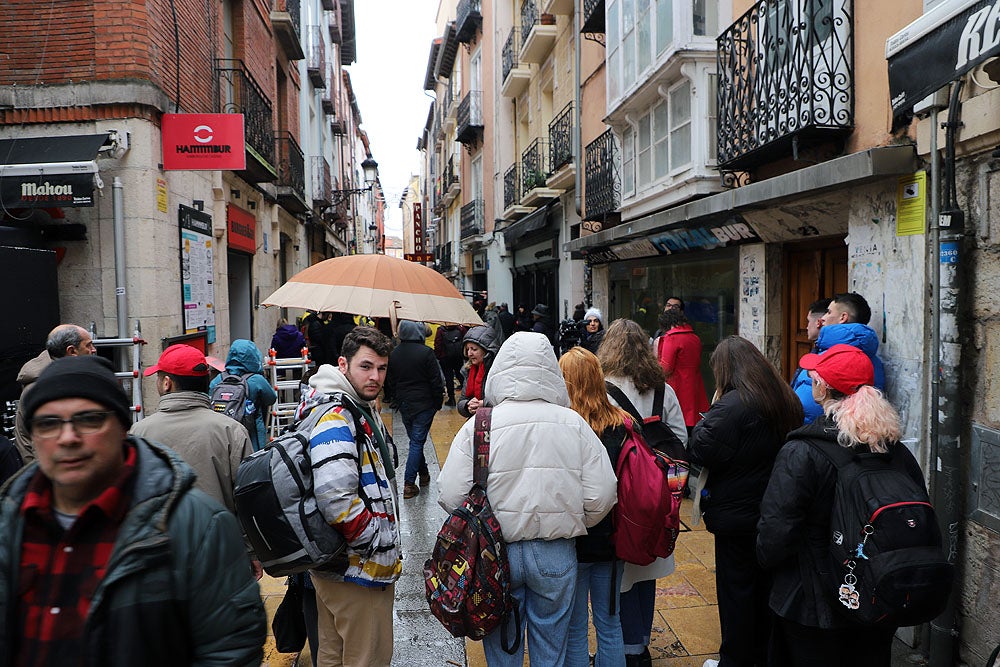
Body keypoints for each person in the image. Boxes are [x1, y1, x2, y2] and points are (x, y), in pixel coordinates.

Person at [0, 355, 266, 665]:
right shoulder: (10, 524)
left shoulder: (197, 527)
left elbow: (229, 649)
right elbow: (247, 495)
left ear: (120, 429)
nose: (68, 437)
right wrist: (251, 550)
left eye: (89, 419)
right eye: (48, 423)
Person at [438, 332, 618, 666]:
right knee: (551, 648)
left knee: (501, 643)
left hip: (494, 553)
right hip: (555, 551)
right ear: (551, 370)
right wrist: (571, 520)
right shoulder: (573, 423)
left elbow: (450, 494)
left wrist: (484, 523)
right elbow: (603, 494)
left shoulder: (481, 424)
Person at [757, 344, 913, 666]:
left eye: (813, 375)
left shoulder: (802, 450)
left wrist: (765, 566)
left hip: (812, 601)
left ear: (822, 387)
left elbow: (776, 529)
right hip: (877, 593)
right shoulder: (895, 448)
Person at [687, 336, 804, 667]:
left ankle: (735, 660)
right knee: (767, 589)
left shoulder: (733, 404)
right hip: (775, 510)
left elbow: (700, 450)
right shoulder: (785, 397)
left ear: (726, 370)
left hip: (737, 514)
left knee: (736, 592)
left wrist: (709, 415)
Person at [294, 326, 401, 666]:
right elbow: (335, 497)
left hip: (335, 568)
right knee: (367, 657)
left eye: (382, 369)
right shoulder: (338, 416)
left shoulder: (353, 406)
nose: (375, 377)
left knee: (332, 656)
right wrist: (374, 542)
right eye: (366, 367)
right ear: (343, 364)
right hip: (359, 571)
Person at [596, 318, 687, 666]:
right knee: (648, 565)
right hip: (659, 493)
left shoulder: (602, 389)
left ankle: (625, 647)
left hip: (621, 493)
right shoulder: (664, 389)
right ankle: (641, 642)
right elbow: (681, 438)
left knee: (621, 571)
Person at [559, 346, 628, 667]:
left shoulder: (562, 426)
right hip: (613, 539)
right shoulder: (622, 424)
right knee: (610, 624)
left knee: (574, 629)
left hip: (573, 541)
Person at [131, 344, 254, 519]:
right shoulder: (232, 431)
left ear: (167, 383)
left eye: (158, 378)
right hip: (220, 541)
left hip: (161, 544)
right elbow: (249, 499)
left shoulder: (139, 432)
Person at [794, 292, 885, 424]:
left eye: (829, 312)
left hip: (818, 435)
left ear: (843, 317)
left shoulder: (835, 355)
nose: (823, 318)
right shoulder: (870, 357)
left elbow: (810, 407)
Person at [14, 324, 97, 464]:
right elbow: (29, 440)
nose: (93, 350)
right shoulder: (41, 389)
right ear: (72, 351)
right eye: (88, 345)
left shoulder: (74, 377)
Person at [384, 320, 445, 500]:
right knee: (416, 443)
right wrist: (438, 402)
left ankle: (424, 474)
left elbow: (391, 381)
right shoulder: (426, 353)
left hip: (405, 404)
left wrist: (396, 398)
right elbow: (436, 381)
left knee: (415, 441)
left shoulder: (394, 354)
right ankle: (409, 484)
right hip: (425, 404)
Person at [209, 339, 278, 451]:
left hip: (222, 435)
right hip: (251, 436)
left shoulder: (218, 380)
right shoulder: (256, 380)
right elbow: (271, 399)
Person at [656, 308, 710, 435]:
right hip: (695, 386)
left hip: (677, 386)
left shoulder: (671, 338)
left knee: (677, 423)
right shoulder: (695, 337)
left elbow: (666, 368)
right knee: (693, 422)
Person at [457, 325, 499, 418]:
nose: (469, 353)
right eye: (467, 349)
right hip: (478, 422)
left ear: (487, 351)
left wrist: (484, 403)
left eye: (474, 349)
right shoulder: (469, 370)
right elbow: (462, 401)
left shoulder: (497, 370)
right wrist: (467, 406)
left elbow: (504, 401)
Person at [434, 323, 467, 406]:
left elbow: (438, 344)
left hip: (445, 358)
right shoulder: (460, 329)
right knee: (460, 374)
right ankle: (467, 393)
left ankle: (451, 399)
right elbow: (465, 340)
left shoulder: (441, 330)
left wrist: (439, 356)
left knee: (448, 378)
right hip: (458, 356)